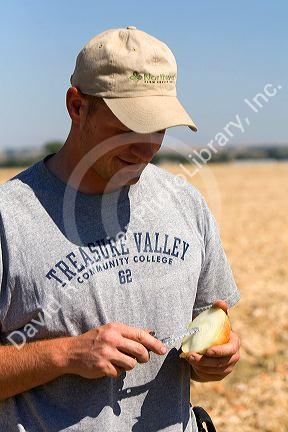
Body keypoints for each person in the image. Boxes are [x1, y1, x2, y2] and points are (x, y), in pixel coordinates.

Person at [0, 26, 241, 432]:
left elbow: (213, 321)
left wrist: (218, 358)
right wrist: (69, 354)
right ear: (77, 106)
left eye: (160, 128)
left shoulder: (185, 203)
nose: (146, 147)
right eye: (128, 127)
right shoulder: (10, 219)